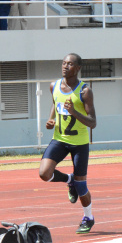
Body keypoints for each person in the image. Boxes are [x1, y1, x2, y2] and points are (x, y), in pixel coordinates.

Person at [38, 54, 97, 234]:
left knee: (81, 186)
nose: (65, 66)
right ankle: (68, 179)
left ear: (78, 68)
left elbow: (93, 122)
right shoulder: (54, 86)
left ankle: (89, 217)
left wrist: (74, 112)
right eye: (64, 63)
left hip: (79, 143)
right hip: (60, 140)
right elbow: (55, 103)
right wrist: (51, 119)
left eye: (70, 64)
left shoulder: (84, 91)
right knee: (44, 173)